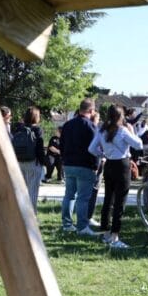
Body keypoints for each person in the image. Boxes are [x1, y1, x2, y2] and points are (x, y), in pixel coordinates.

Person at [88, 105, 142, 249]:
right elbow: (139, 145)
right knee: (120, 202)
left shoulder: (102, 130)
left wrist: (103, 154)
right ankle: (115, 236)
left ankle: (105, 234)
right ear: (120, 117)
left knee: (108, 200)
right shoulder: (123, 131)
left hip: (109, 165)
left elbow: (91, 149)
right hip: (122, 166)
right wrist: (133, 131)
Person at [59, 99, 99, 235]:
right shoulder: (91, 126)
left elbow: (62, 145)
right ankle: (82, 227)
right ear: (91, 111)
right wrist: (96, 165)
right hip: (85, 165)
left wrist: (64, 160)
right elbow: (94, 148)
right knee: (83, 198)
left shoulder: (67, 125)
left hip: (69, 164)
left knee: (69, 195)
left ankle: (67, 224)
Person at [12, 106, 45, 211]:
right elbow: (40, 150)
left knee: (21, 192)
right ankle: (31, 218)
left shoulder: (18, 128)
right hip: (33, 163)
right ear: (36, 117)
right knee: (32, 192)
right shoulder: (37, 129)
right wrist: (45, 163)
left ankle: (20, 216)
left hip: (19, 162)